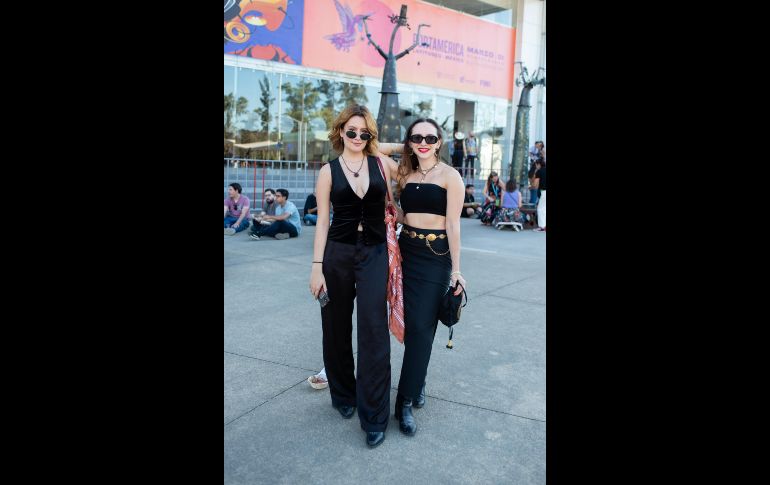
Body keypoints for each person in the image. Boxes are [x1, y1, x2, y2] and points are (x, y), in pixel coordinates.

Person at [308, 104, 395, 449]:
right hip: (337, 253)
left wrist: (381, 145)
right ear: (340, 131)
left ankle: (374, 416)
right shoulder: (328, 172)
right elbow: (322, 220)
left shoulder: (381, 164)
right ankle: (343, 394)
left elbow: (408, 154)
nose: (358, 137)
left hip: (374, 252)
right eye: (352, 131)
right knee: (336, 324)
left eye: (365, 132)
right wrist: (317, 267)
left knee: (374, 330)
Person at [377, 118, 465, 437]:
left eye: (430, 137)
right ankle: (420, 378)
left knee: (420, 328)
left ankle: (405, 402)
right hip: (406, 252)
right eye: (417, 138)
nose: (424, 142)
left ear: (439, 141)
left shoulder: (451, 177)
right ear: (409, 142)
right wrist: (407, 148)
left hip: (436, 259)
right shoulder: (404, 172)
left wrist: (456, 270)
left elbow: (453, 224)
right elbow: (372, 148)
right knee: (413, 325)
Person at [534, 162, 546, 232]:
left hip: (544, 191)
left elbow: (535, 184)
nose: (536, 166)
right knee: (544, 209)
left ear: (539, 164)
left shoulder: (539, 171)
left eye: (536, 165)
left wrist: (532, 186)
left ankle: (541, 227)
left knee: (540, 209)